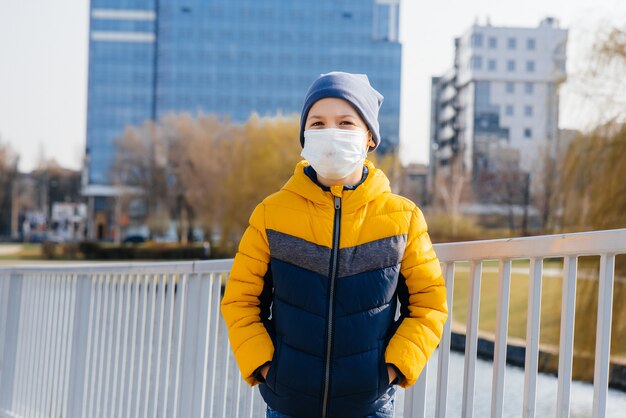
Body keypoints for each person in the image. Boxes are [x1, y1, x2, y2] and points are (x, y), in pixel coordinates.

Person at [221, 71, 448, 418]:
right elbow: (240, 300)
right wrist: (266, 369)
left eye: (345, 123)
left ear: (369, 137)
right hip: (288, 406)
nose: (331, 133)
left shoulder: (404, 218)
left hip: (369, 406)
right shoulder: (271, 214)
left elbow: (429, 305)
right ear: (304, 135)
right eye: (318, 123)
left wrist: (391, 371)